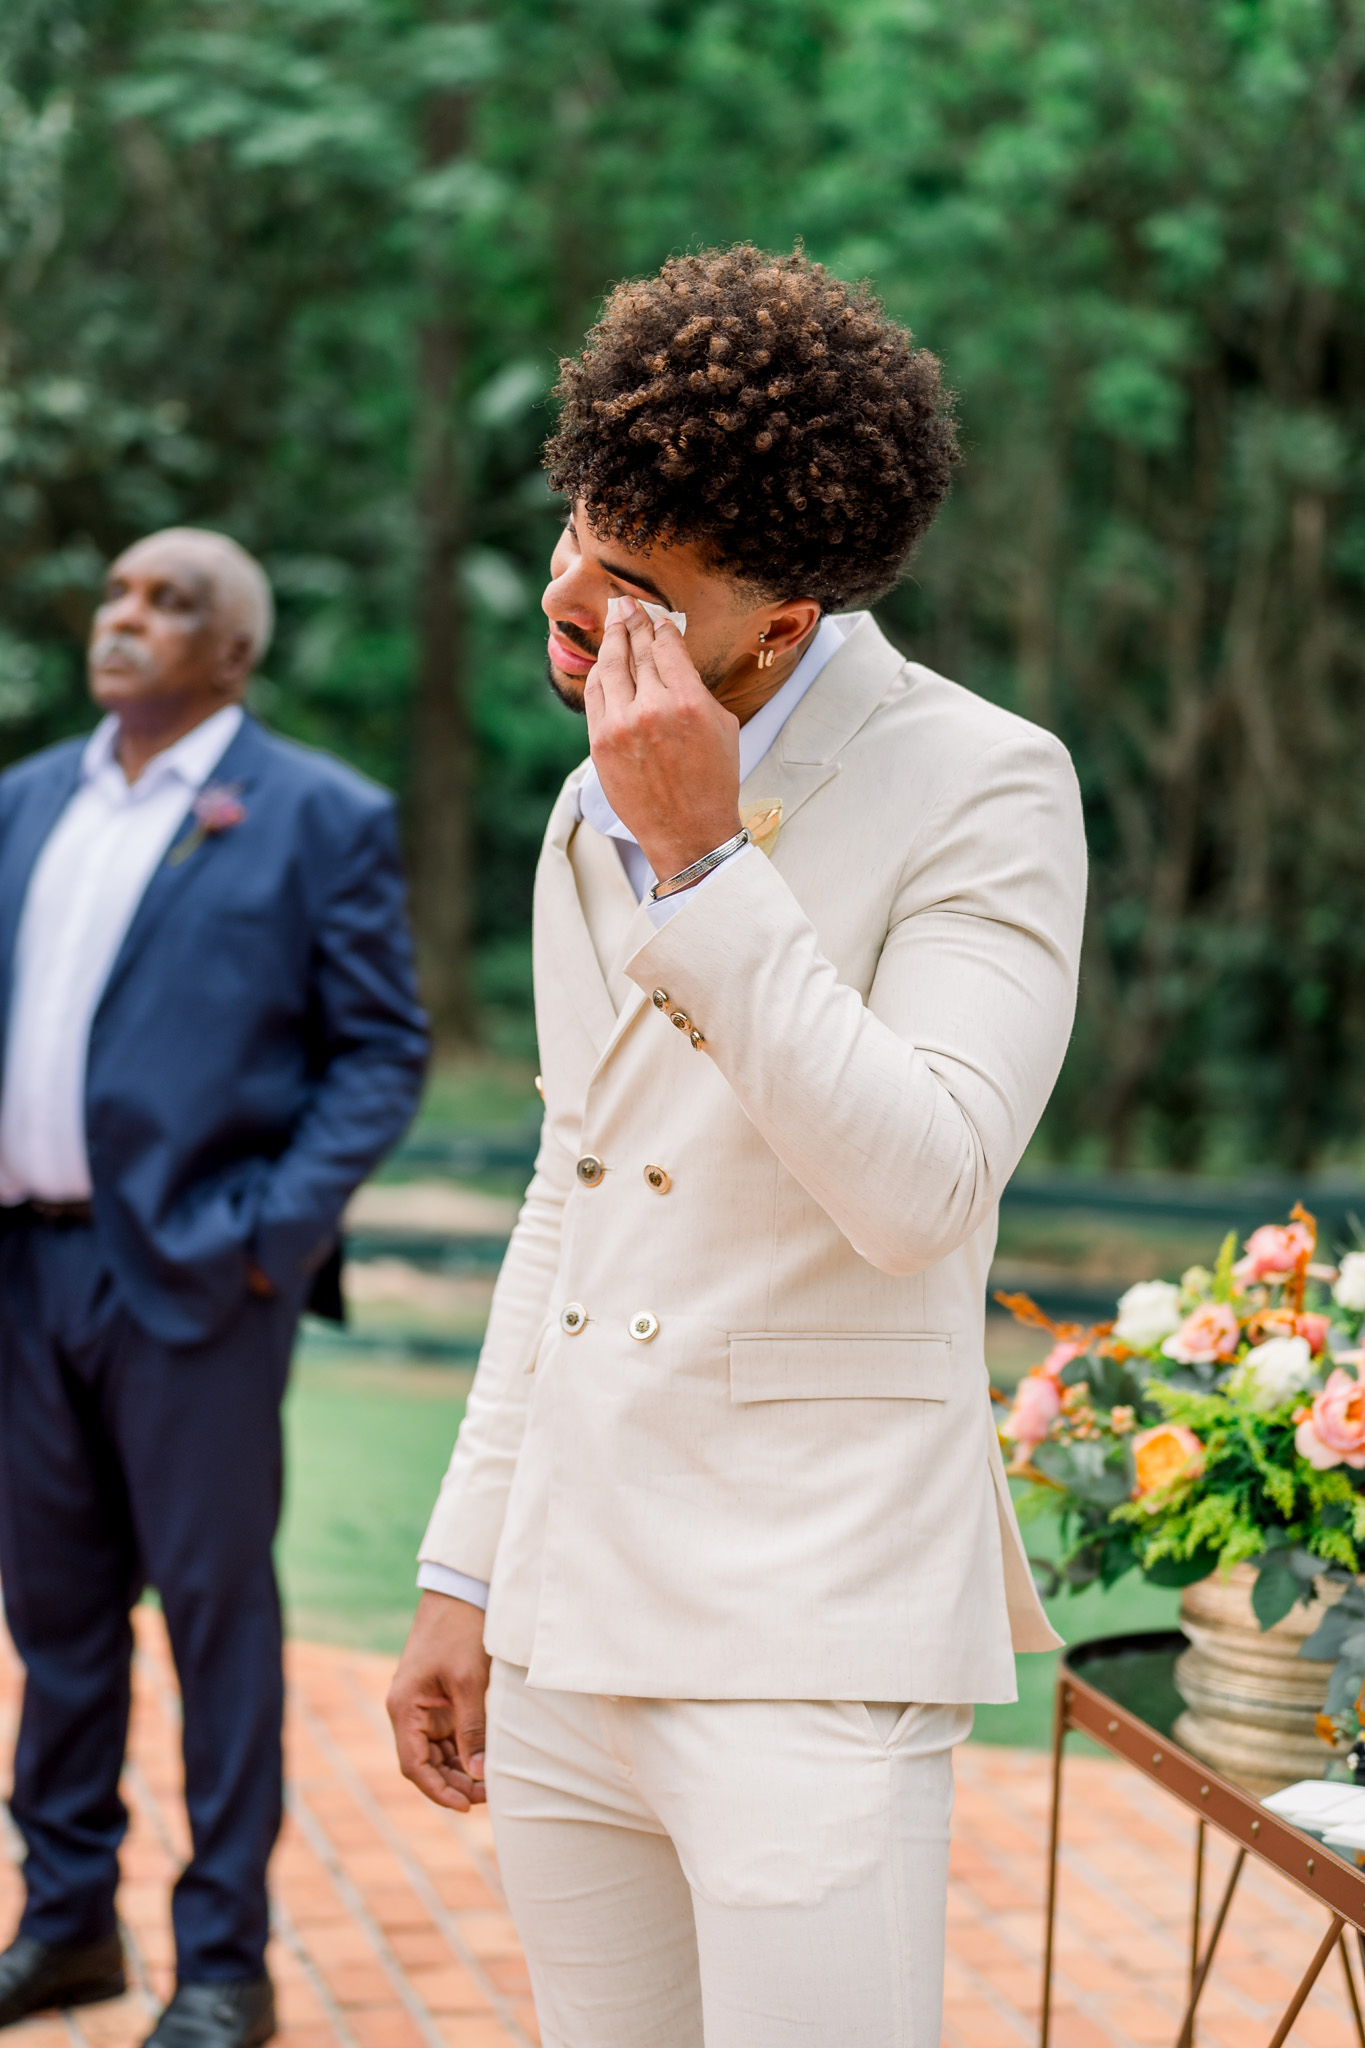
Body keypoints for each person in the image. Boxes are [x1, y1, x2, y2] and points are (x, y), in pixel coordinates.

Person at [388, 246, 1086, 2047]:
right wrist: (467, 1571)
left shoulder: (987, 782)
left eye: (633, 587)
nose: (570, 598)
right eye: (573, 535)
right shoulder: (580, 799)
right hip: (567, 1616)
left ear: (779, 621)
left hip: (809, 1629)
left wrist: (705, 863)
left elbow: (923, 1189)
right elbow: (574, 1187)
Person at [0, 529, 428, 2048]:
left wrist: (271, 1235)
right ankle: (66, 1927)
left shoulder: (318, 814)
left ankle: (225, 1964)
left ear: (235, 648)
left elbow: (380, 1051)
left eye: (169, 601)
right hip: (25, 1273)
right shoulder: (26, 800)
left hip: (197, 1286)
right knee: (54, 1623)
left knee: (214, 1625)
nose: (125, 616)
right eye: (117, 592)